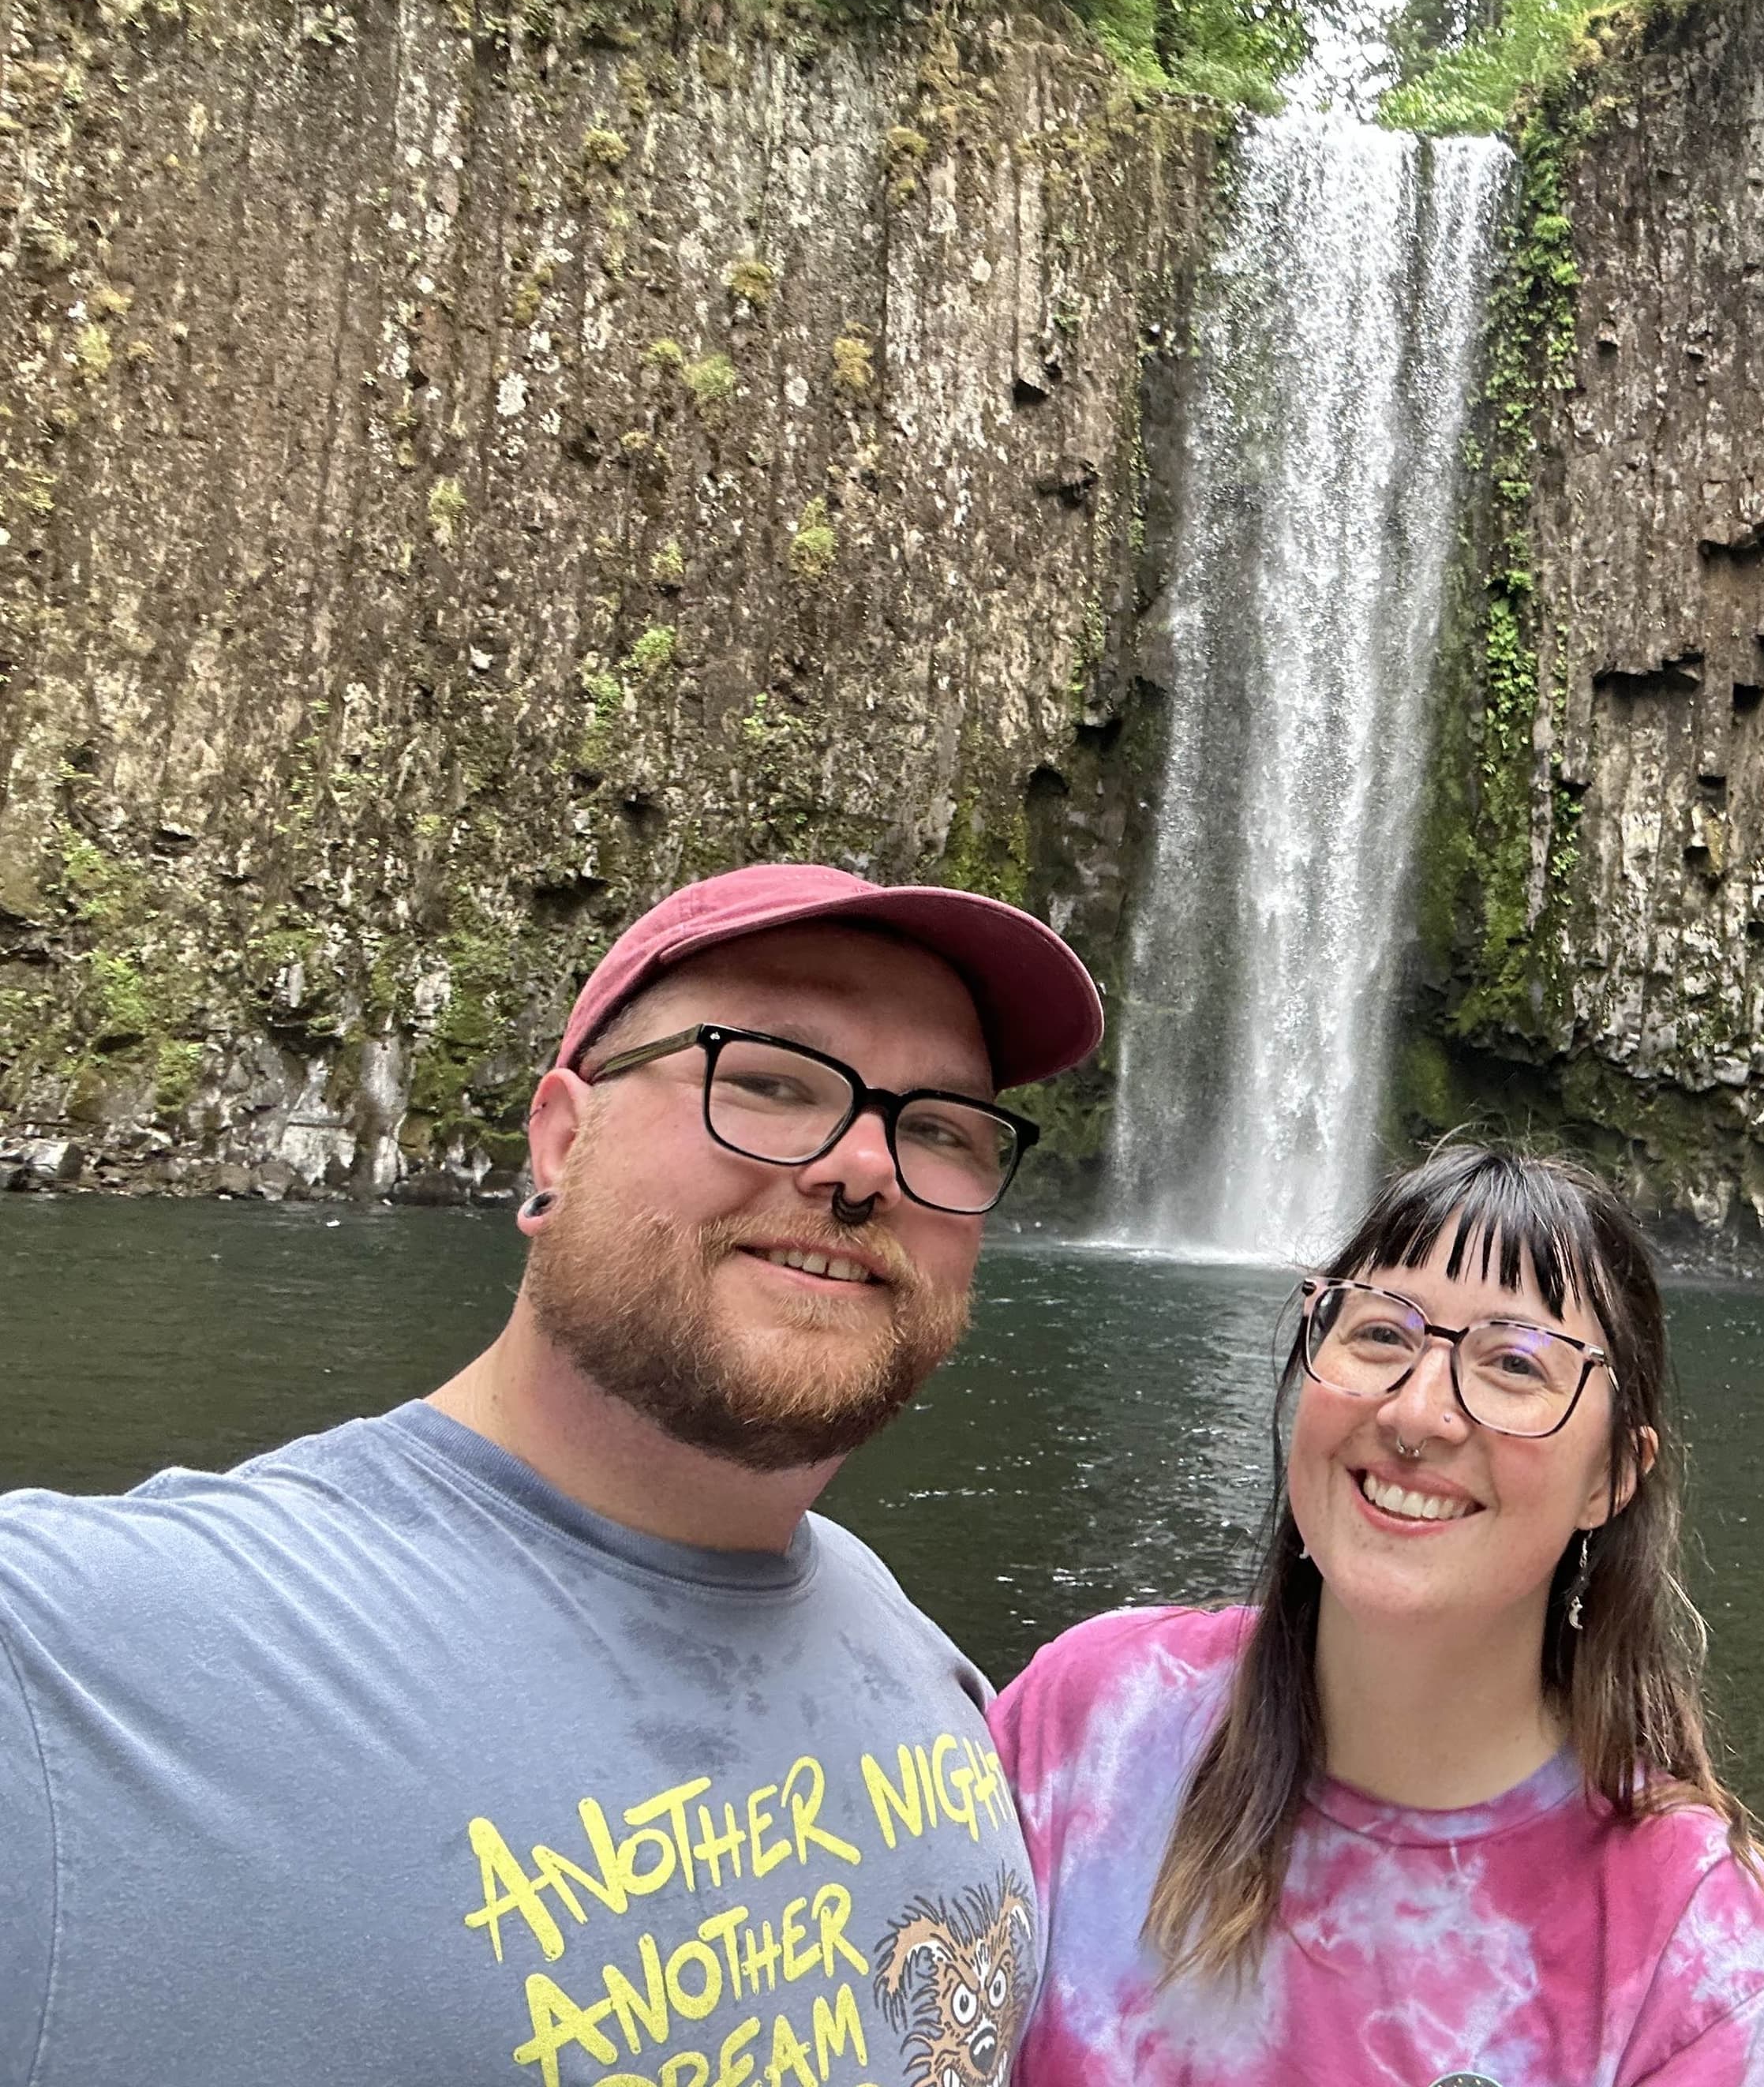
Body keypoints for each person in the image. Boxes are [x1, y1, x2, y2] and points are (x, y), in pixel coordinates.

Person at [0, 862, 1099, 2087]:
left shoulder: (907, 1643)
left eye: (941, 1127)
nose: (863, 1167)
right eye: (773, 1083)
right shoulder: (85, 1663)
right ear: (563, 1139)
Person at [992, 1145, 1764, 2086]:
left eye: (1514, 1363)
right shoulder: (1089, 1719)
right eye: (1383, 1335)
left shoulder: (1693, 1943)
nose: (1418, 1413)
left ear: (1612, 1477)